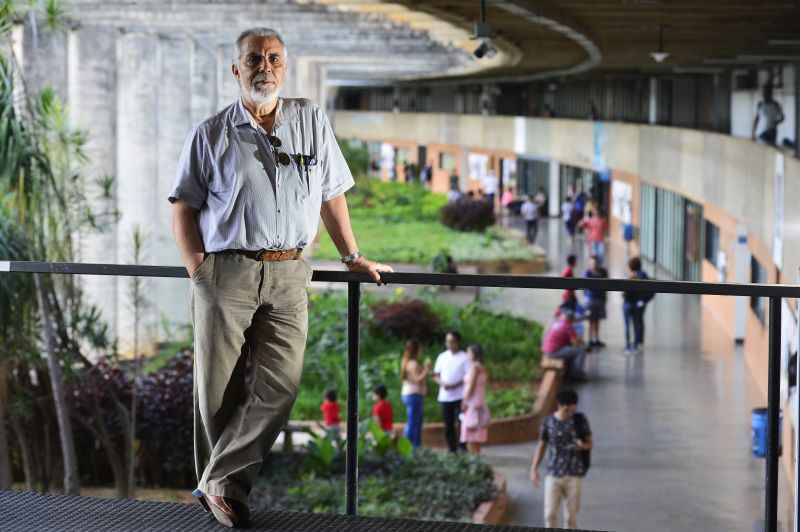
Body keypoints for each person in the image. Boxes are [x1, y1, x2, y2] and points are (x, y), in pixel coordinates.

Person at [168, 27, 394, 528]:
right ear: (236, 70)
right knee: (216, 391)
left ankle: (213, 482)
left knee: (281, 386)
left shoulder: (310, 119)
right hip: (226, 273)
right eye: (253, 59)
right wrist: (198, 269)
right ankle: (227, 495)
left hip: (291, 271)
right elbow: (183, 207)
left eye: (273, 58)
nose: (263, 67)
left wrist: (352, 254)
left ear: (284, 68)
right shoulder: (210, 134)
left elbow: (333, 194)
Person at [530, 389, 593, 530]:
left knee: (571, 517)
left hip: (574, 474)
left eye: (574, 406)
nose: (573, 409)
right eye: (570, 406)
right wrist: (534, 468)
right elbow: (541, 445)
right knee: (549, 514)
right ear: (561, 405)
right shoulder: (548, 422)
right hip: (553, 473)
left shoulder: (579, 420)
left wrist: (582, 446)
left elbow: (590, 444)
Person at [433, 331, 471, 453]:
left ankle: (463, 446)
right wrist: (442, 383)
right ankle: (451, 449)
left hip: (460, 395)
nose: (449, 344)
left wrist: (455, 385)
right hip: (445, 396)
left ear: (457, 342)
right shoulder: (442, 357)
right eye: (447, 341)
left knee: (461, 423)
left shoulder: (464, 357)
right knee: (448, 424)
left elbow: (468, 376)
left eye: (452, 341)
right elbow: (436, 375)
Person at [460, 344, 491, 454]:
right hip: (480, 401)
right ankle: (477, 459)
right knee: (477, 435)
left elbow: (471, 386)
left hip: (472, 403)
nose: (467, 355)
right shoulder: (482, 367)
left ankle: (473, 460)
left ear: (473, 354)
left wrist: (464, 401)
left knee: (470, 436)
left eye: (468, 352)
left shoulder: (475, 367)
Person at [400, 340, 431, 449]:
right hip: (413, 395)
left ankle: (415, 447)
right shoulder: (412, 364)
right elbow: (417, 379)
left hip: (412, 395)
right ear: (416, 350)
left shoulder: (407, 362)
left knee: (416, 422)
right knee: (413, 423)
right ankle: (409, 447)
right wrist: (426, 370)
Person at [542, 309, 587, 381]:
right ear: (571, 319)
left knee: (571, 351)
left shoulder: (558, 323)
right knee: (580, 351)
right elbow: (575, 343)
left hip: (547, 350)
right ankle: (576, 374)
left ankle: (570, 372)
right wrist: (582, 343)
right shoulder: (568, 326)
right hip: (553, 352)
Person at [623, 256, 653, 354]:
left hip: (633, 304)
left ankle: (633, 343)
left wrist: (642, 301)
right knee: (637, 323)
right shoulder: (635, 275)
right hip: (634, 304)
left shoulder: (640, 275)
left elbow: (625, 292)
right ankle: (636, 343)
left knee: (635, 323)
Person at [583, 256, 608, 349]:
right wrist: (586, 298)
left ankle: (596, 339)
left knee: (597, 320)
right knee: (590, 321)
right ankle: (589, 340)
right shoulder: (587, 273)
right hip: (590, 300)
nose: (594, 264)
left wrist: (605, 299)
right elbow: (584, 287)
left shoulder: (603, 272)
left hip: (600, 300)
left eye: (595, 262)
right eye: (592, 263)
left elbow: (606, 285)